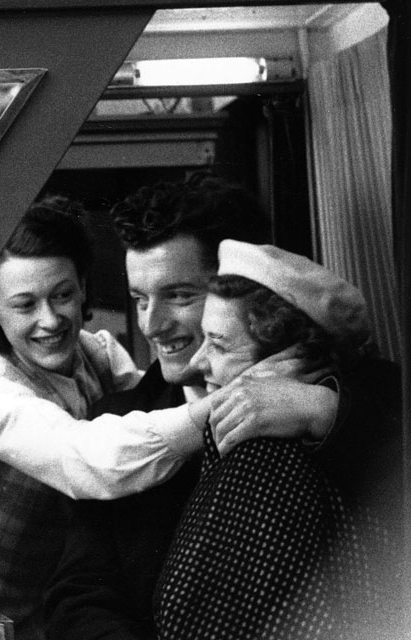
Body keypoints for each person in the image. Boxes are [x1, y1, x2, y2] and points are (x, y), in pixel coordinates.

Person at [44, 174, 400, 640]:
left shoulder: (358, 393)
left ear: (236, 287)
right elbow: (78, 599)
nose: (152, 324)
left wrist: (323, 410)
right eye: (139, 299)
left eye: (178, 295)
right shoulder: (117, 418)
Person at [0, 196, 197, 639]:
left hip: (28, 616)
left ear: (83, 287)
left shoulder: (96, 354)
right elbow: (95, 461)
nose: (51, 320)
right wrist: (220, 409)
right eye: (24, 305)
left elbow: (155, 406)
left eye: (62, 295)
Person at [154, 241, 395, 639]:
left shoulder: (262, 457)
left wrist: (320, 407)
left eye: (218, 344)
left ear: (290, 360)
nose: (198, 363)